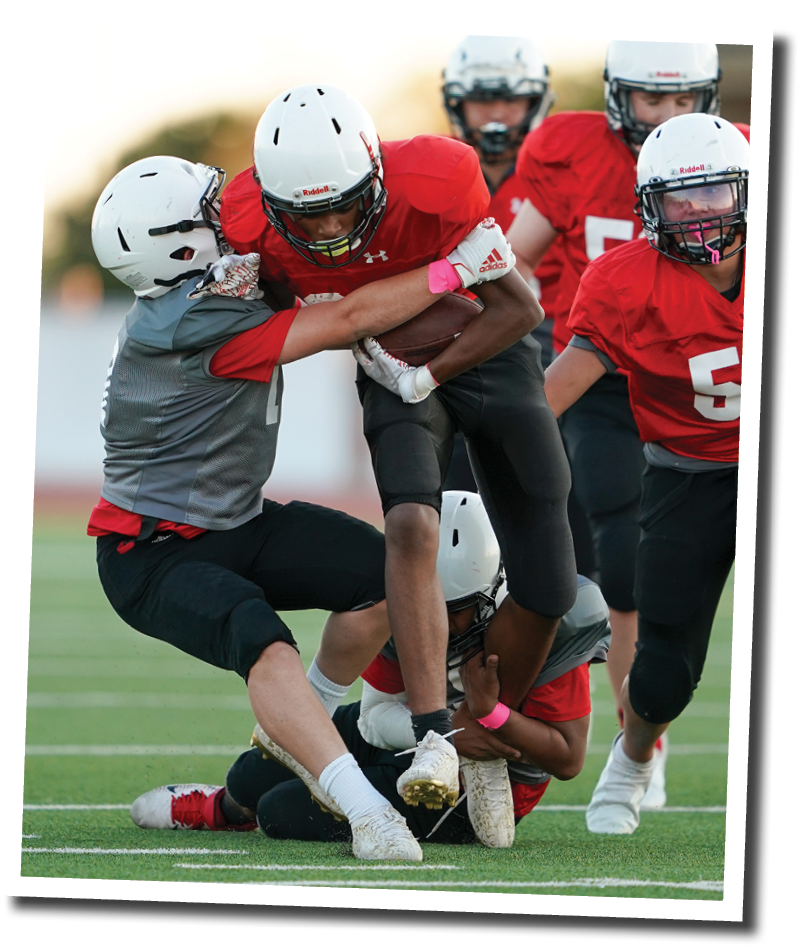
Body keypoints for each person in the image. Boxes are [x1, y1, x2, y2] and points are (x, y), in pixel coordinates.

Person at [87, 155, 514, 862]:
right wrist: (455, 269)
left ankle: (296, 726)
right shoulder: (192, 323)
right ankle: (366, 810)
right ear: (182, 247)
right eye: (213, 213)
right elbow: (346, 316)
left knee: (388, 578)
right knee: (263, 639)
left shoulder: (197, 295)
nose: (235, 218)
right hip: (152, 553)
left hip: (236, 521)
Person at [220, 85, 578, 817]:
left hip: (488, 357)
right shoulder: (249, 225)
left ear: (377, 179)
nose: (328, 228)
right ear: (273, 206)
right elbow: (275, 327)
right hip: (388, 367)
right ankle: (433, 736)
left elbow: (521, 309)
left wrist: (425, 375)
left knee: (549, 584)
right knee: (410, 526)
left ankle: (481, 733)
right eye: (307, 215)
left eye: (343, 206)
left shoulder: (439, 182)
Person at [507, 41, 750, 806]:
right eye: (683, 202)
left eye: (719, 195)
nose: (704, 215)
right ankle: (639, 744)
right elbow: (522, 292)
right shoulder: (619, 270)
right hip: (664, 436)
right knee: (643, 605)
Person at [130, 491, 610, 849]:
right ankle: (224, 808)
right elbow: (375, 717)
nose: (436, 622)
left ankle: (268, 812)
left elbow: (568, 758)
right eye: (424, 603)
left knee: (280, 811)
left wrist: (490, 715)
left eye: (454, 610)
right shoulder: (401, 600)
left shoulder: (541, 621)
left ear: (492, 587)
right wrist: (445, 735)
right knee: (258, 770)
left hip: (485, 781)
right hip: (419, 728)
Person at [441, 35, 595, 577]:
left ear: (536, 101)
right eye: (484, 100)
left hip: (557, 343)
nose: (498, 114)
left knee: (575, 487)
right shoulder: (439, 172)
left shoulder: (564, 168)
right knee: (456, 487)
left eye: (510, 99)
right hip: (464, 344)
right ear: (457, 104)